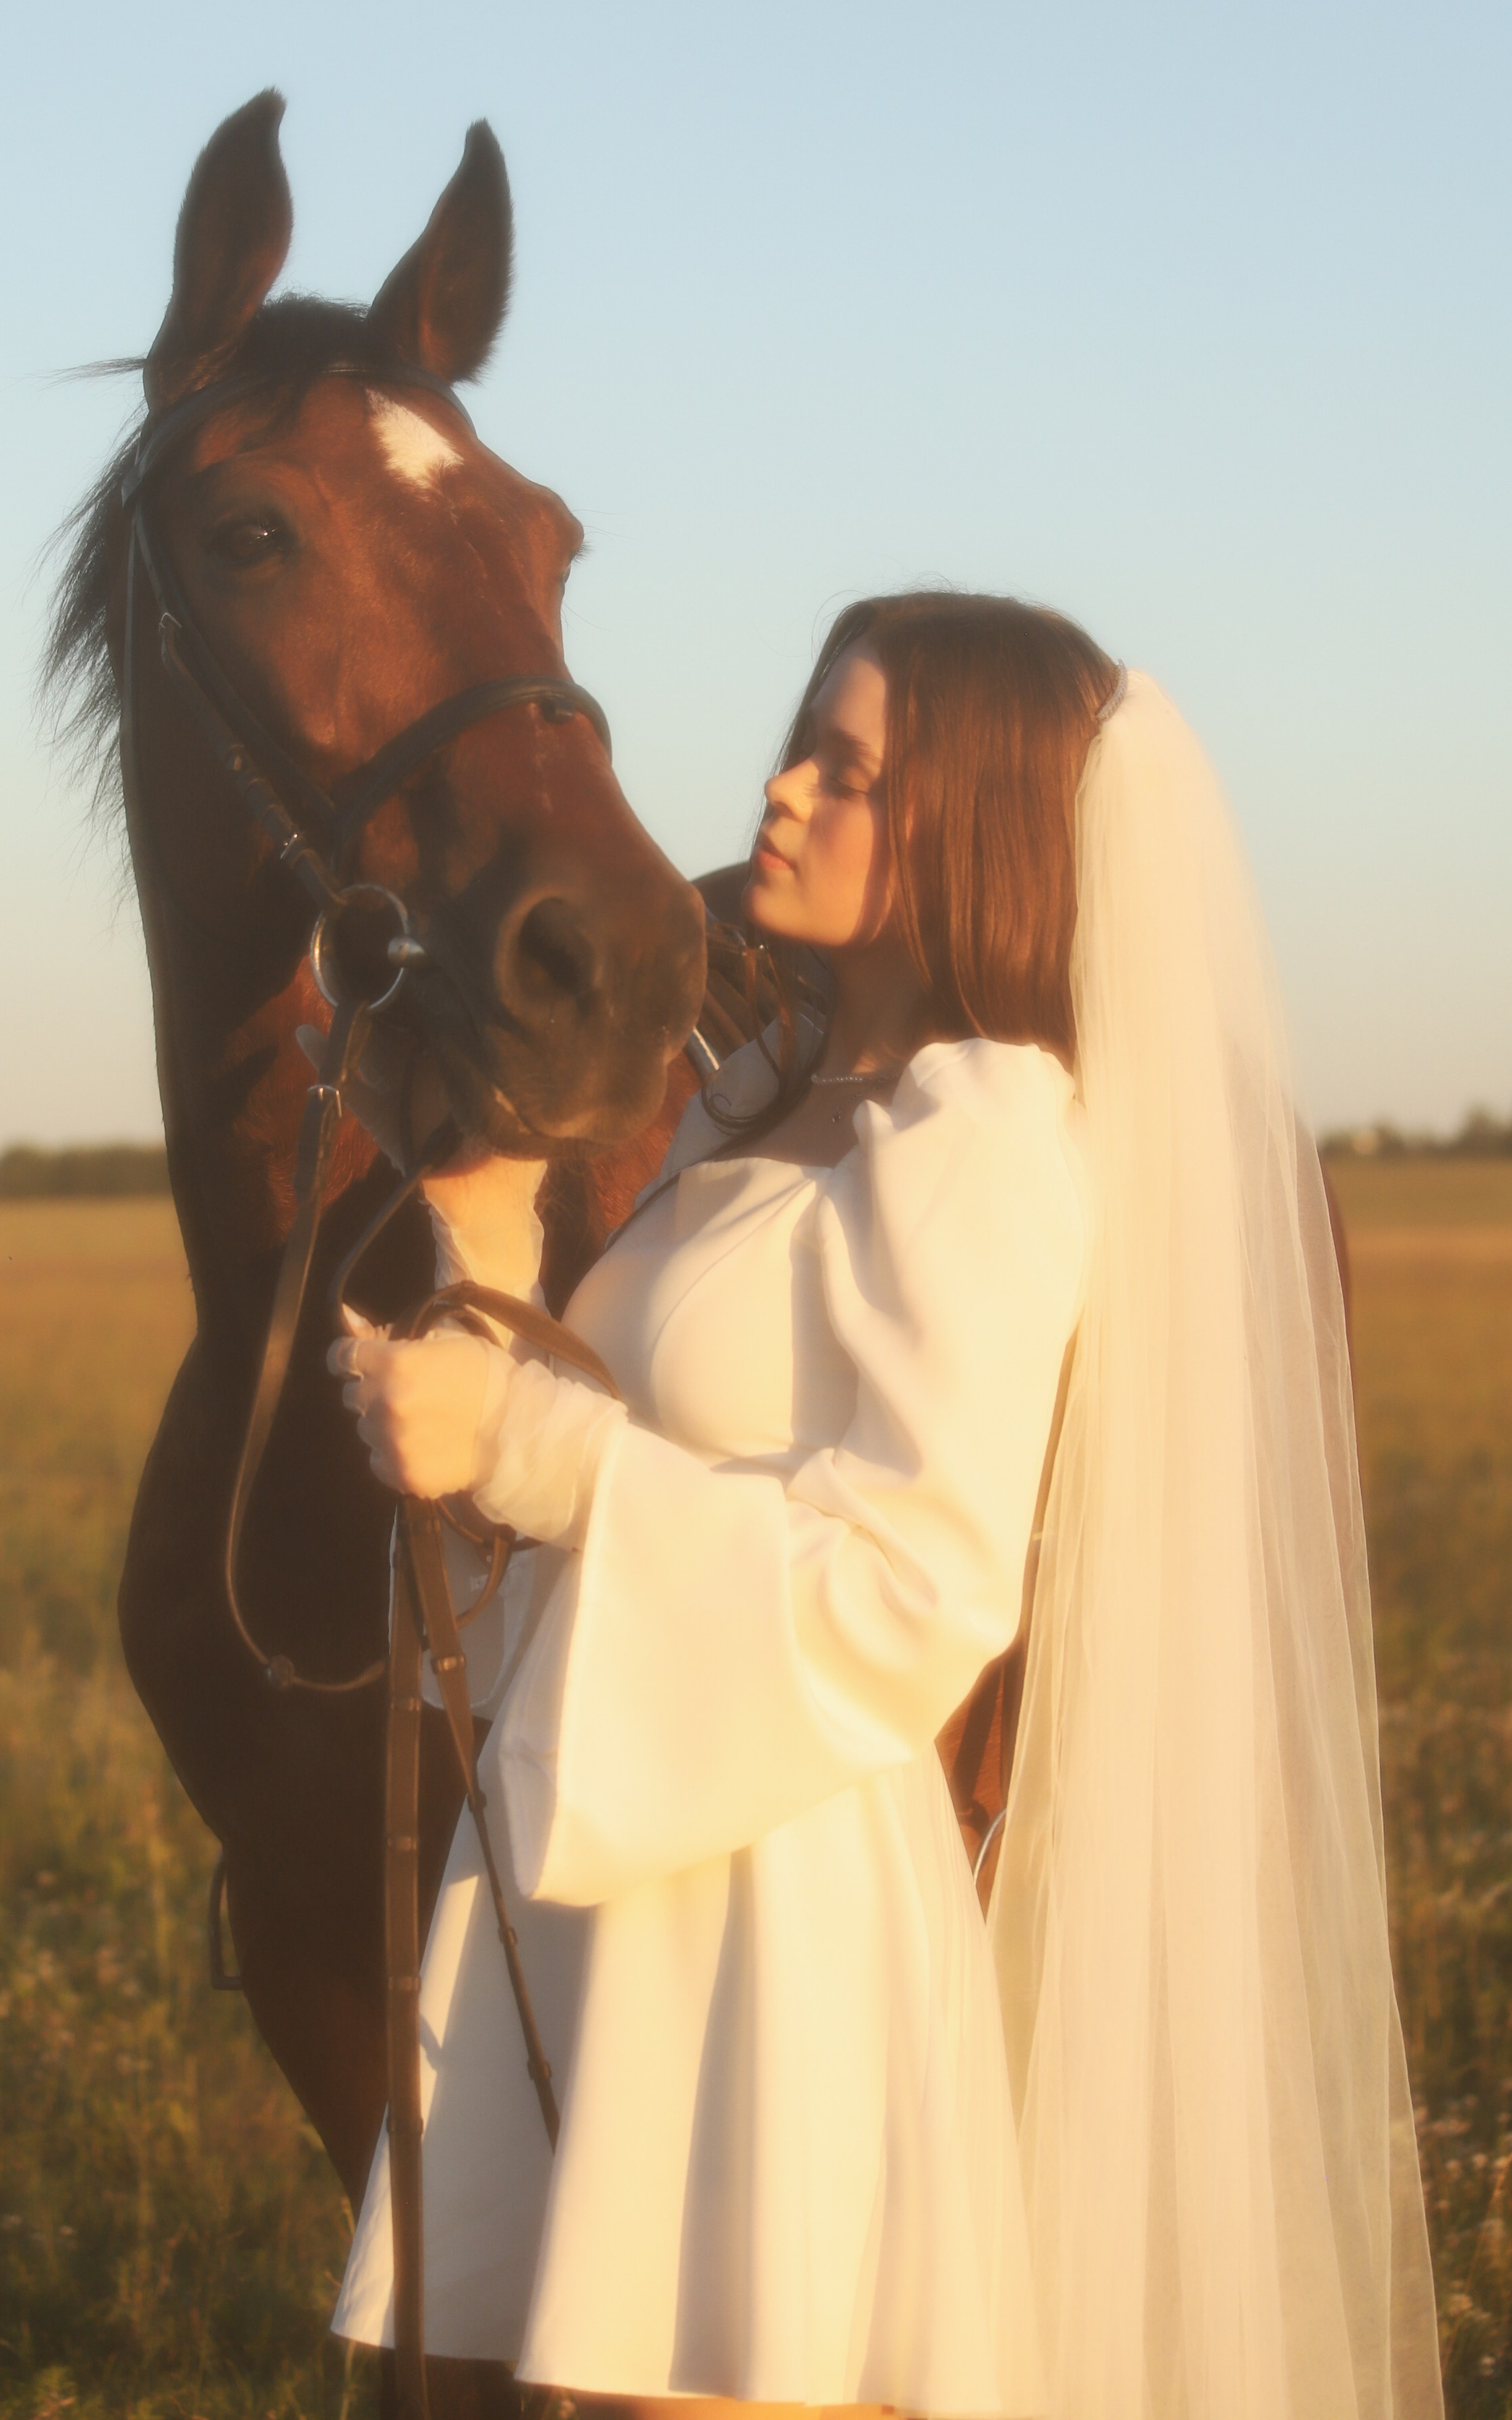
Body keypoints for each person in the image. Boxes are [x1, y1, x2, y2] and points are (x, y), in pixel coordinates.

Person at [327, 593, 1440, 2420]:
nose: (780, 791)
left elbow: (918, 1584)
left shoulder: (982, 1135)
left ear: (974, 826)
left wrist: (531, 1443)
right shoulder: (760, 1104)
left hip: (773, 1931)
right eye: (800, 745)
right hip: (616, 1860)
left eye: (846, 772)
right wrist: (481, 1250)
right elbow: (624, 1481)